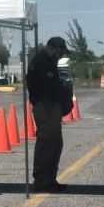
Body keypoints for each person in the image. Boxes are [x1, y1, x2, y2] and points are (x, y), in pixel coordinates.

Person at [27, 36, 74, 192]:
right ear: (54, 48)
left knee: (55, 143)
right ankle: (42, 180)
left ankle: (49, 179)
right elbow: (39, 87)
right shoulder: (40, 62)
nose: (60, 56)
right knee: (47, 143)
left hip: (51, 106)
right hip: (44, 106)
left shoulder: (50, 62)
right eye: (60, 52)